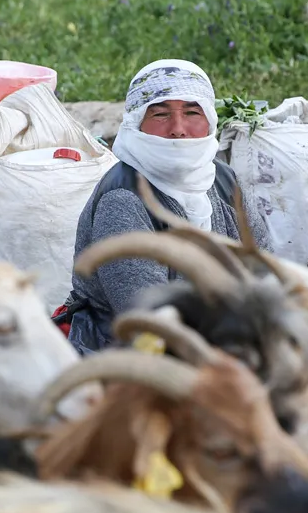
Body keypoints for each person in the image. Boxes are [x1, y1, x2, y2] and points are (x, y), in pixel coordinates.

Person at [61, 59, 273, 354]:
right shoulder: (124, 199)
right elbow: (147, 316)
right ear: (137, 123)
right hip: (133, 349)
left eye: (192, 112)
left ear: (210, 118)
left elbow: (264, 266)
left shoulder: (223, 179)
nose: (178, 129)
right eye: (160, 114)